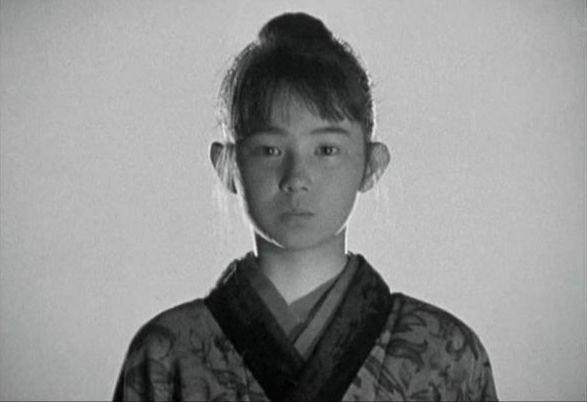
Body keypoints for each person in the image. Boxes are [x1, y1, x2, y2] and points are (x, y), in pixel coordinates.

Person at [113, 12, 498, 401]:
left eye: (326, 150)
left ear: (371, 165)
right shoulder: (168, 354)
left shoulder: (443, 353)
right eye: (270, 150)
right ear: (227, 165)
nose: (296, 177)